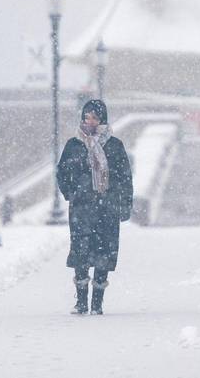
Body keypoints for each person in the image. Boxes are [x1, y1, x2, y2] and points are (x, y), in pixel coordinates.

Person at [56, 99, 133, 315]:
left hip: (107, 208)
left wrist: (124, 203)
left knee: (104, 253)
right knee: (81, 253)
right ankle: (81, 302)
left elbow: (125, 176)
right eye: (86, 117)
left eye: (94, 117)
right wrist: (72, 192)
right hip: (81, 209)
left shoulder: (115, 146)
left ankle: (97, 303)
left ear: (102, 120)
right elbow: (62, 172)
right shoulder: (74, 145)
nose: (89, 121)